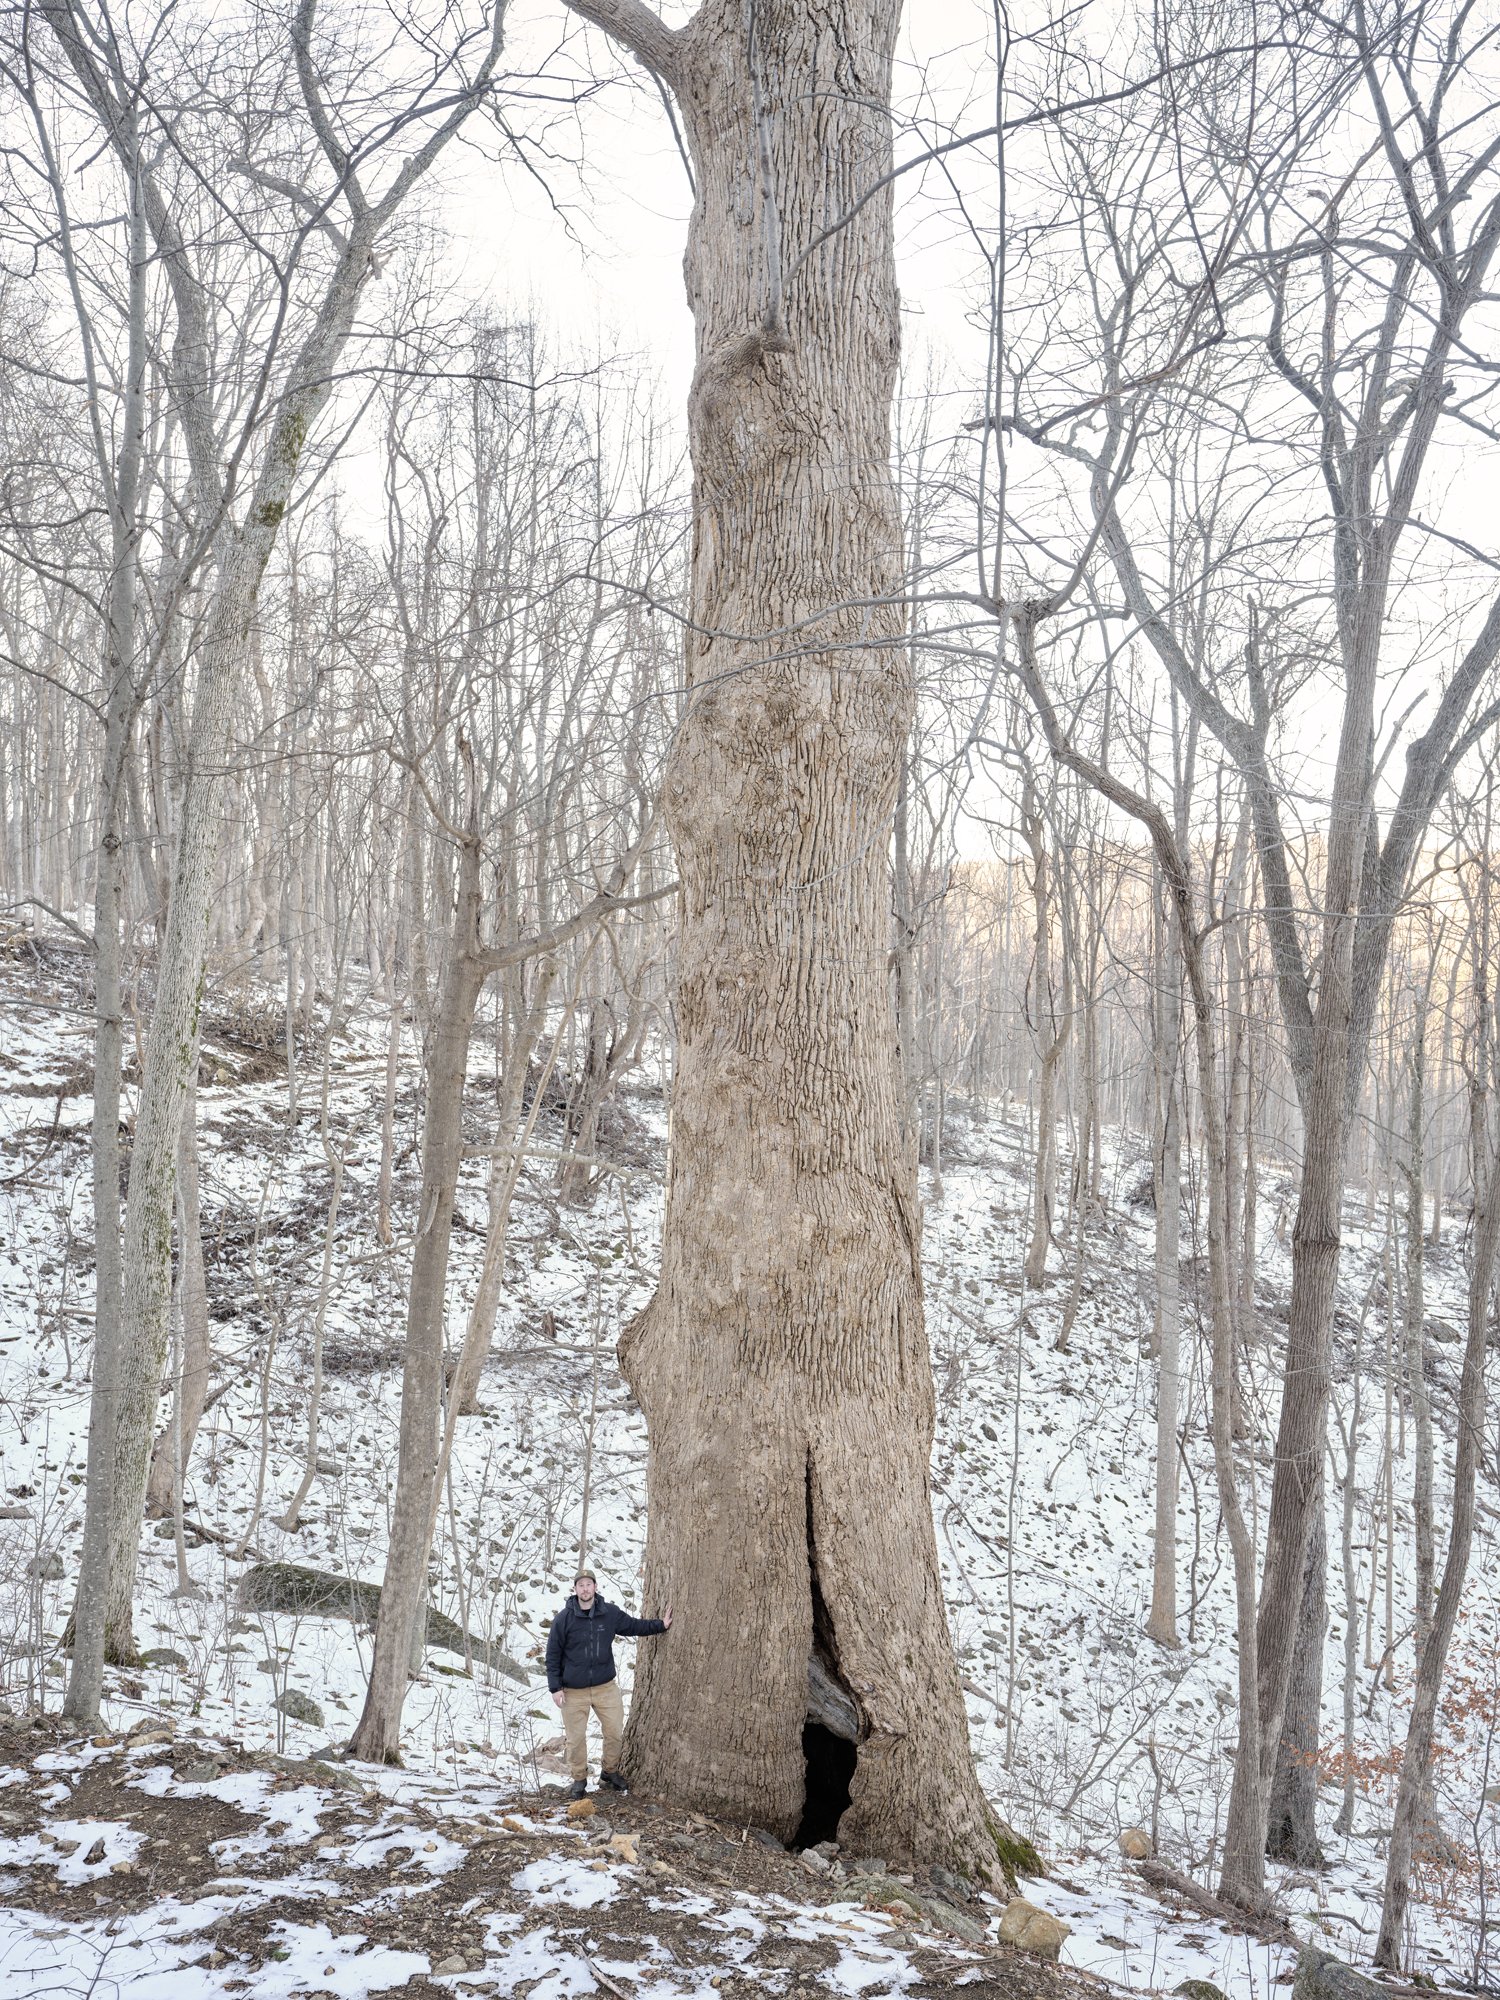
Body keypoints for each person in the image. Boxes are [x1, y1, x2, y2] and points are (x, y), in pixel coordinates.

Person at [545, 1569, 673, 1798]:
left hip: (605, 1687)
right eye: (580, 1585)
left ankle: (609, 1772)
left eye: (588, 1584)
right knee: (576, 1739)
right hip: (573, 1691)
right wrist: (555, 1687)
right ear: (575, 1589)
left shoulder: (609, 1613)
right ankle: (579, 1779)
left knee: (614, 1732)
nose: (585, 1589)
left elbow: (634, 1626)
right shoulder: (564, 1618)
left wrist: (660, 1625)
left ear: (595, 1587)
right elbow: (552, 1654)